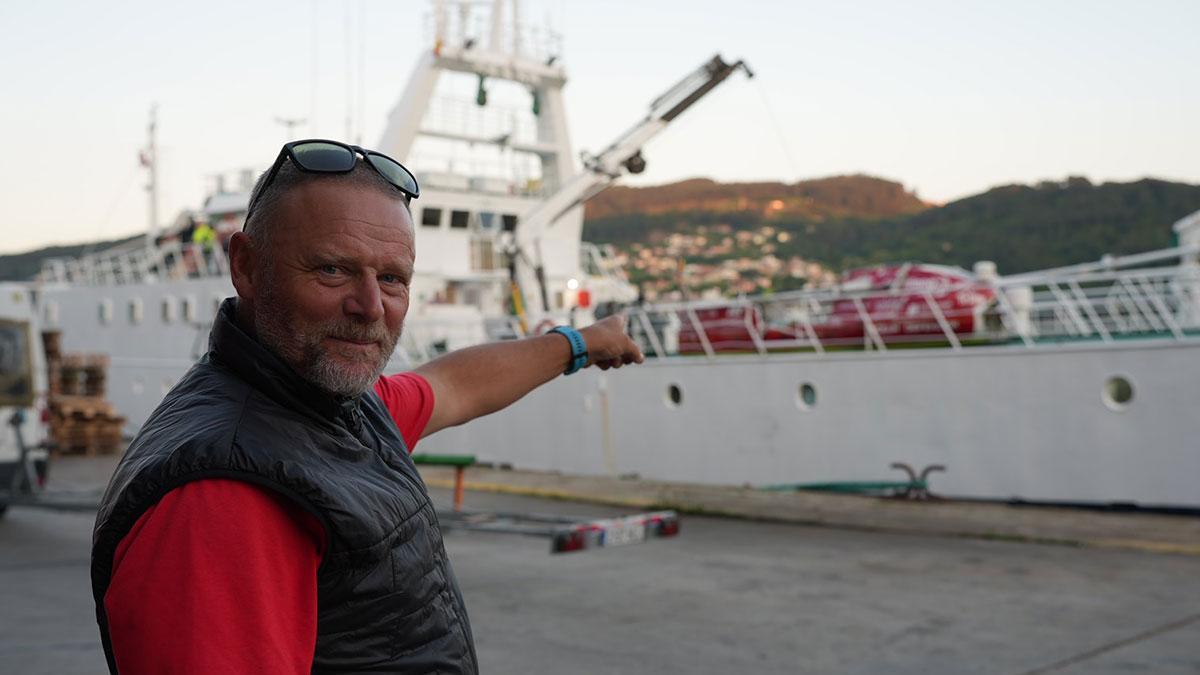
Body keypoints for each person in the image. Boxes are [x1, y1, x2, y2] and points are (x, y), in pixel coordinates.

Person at [90, 139, 644, 674]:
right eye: (332, 269)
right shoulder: (226, 493)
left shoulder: (329, 409)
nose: (371, 307)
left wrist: (579, 344)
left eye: (392, 279)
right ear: (248, 268)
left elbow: (453, 387)